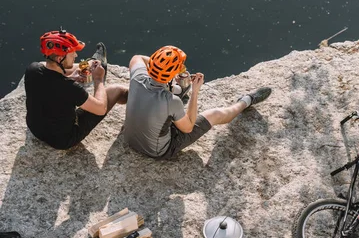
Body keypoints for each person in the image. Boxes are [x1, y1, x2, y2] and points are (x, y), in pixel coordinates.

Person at [124, 45, 272, 159]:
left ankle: (177, 89)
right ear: (172, 73)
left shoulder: (138, 76)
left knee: (169, 104)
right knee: (214, 114)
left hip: (131, 139)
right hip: (156, 150)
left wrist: (162, 68)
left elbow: (137, 58)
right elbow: (188, 128)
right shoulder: (171, 101)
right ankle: (247, 101)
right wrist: (195, 91)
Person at [24, 29, 128, 150]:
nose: (76, 55)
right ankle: (142, 101)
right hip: (63, 140)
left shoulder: (32, 69)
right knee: (116, 90)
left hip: (35, 128)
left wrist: (71, 77)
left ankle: (88, 65)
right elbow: (100, 109)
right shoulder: (70, 88)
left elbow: (51, 82)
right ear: (59, 59)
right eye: (72, 53)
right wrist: (98, 79)